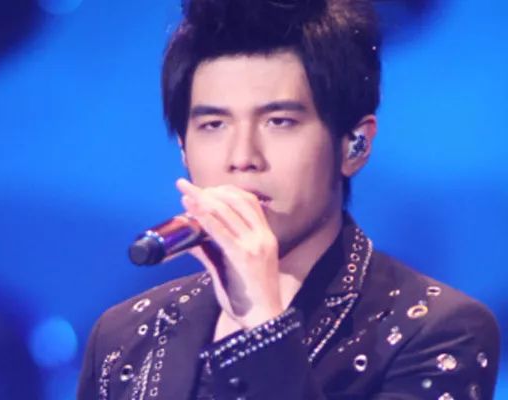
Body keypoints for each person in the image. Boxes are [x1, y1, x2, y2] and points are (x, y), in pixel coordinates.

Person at [77, 0, 500, 398]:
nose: (242, 157)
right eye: (214, 125)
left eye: (279, 122)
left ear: (355, 145)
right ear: (184, 150)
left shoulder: (438, 329)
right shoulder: (123, 335)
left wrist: (264, 323)